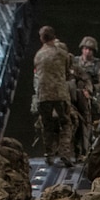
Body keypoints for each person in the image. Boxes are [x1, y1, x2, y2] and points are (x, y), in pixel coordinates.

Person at [32, 26, 75, 161]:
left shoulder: (38, 55)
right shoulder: (62, 52)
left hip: (43, 95)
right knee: (66, 123)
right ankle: (65, 153)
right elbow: (68, 72)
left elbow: (37, 75)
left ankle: (49, 154)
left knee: (47, 125)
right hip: (60, 94)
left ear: (41, 39)